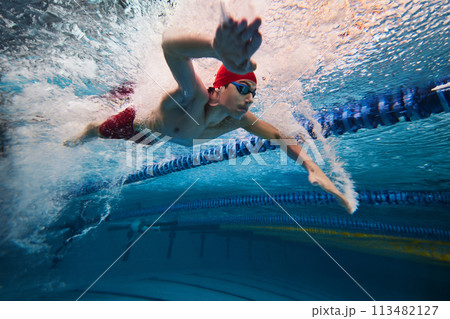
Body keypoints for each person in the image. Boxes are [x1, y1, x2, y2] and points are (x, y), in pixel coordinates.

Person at [64, 16, 354, 214]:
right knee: (95, 130)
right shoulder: (194, 97)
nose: (250, 98)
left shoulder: (236, 118)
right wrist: (214, 49)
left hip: (154, 140)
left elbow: (278, 135)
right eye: (243, 88)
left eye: (254, 92)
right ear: (219, 88)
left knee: (143, 141)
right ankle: (82, 133)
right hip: (133, 124)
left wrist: (312, 168)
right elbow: (171, 49)